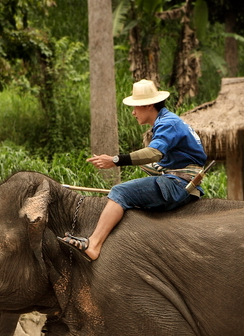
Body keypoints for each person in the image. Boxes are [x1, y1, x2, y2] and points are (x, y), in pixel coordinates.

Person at [58, 79, 207, 261]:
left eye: (136, 107)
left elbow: (154, 153)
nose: (133, 112)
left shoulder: (168, 123)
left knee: (119, 191)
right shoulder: (169, 122)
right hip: (179, 180)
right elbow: (164, 161)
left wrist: (115, 160)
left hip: (177, 185)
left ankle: (94, 244)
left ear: (149, 105)